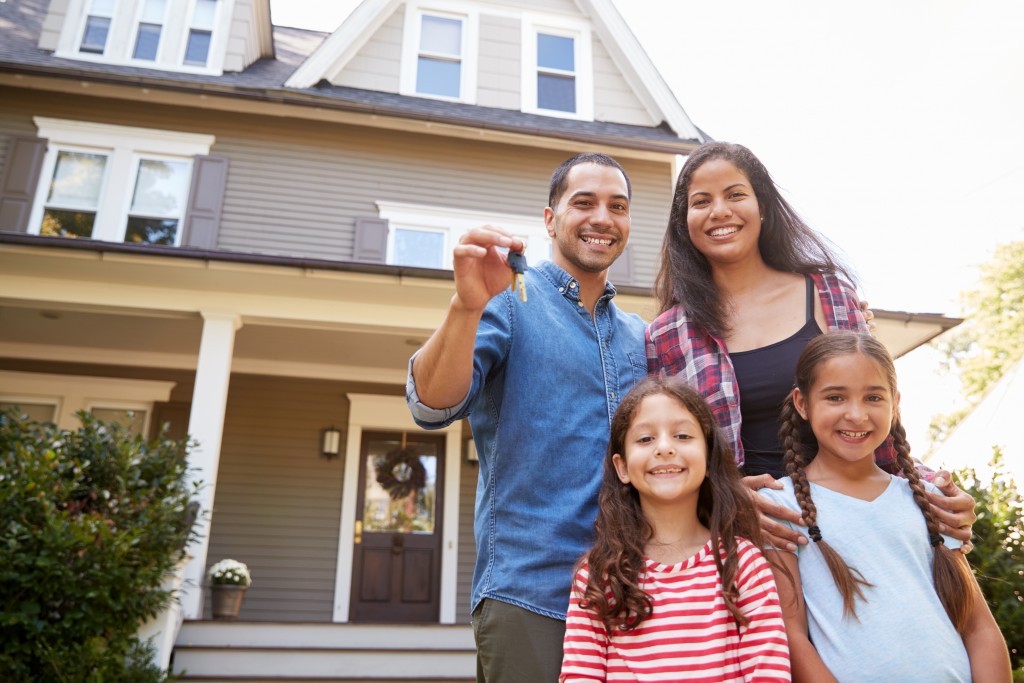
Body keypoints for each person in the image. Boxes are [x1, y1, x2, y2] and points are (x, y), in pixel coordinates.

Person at [646, 141, 977, 552]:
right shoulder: (667, 334)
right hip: (749, 542)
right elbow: (667, 455)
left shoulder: (831, 294)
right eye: (701, 201)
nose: (719, 211)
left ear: (762, 206)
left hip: (853, 525)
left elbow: (879, 423)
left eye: (735, 194)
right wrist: (724, 499)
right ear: (685, 222)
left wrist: (934, 491)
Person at [406, 153, 647, 682]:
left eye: (618, 206)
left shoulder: (639, 335)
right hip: (532, 595)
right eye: (583, 202)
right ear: (550, 219)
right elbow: (431, 404)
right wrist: (466, 307)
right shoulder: (509, 301)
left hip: (634, 598)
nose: (602, 217)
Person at [760, 330, 1011, 682]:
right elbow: (791, 636)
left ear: (895, 403)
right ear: (802, 403)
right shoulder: (781, 507)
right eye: (835, 397)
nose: (857, 415)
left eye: (873, 397)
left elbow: (978, 627)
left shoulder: (926, 498)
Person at [560, 376, 791, 682]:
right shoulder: (599, 574)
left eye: (682, 436)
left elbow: (768, 675)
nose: (665, 448)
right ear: (622, 467)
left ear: (708, 457)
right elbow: (580, 676)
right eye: (645, 439)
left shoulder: (743, 564)